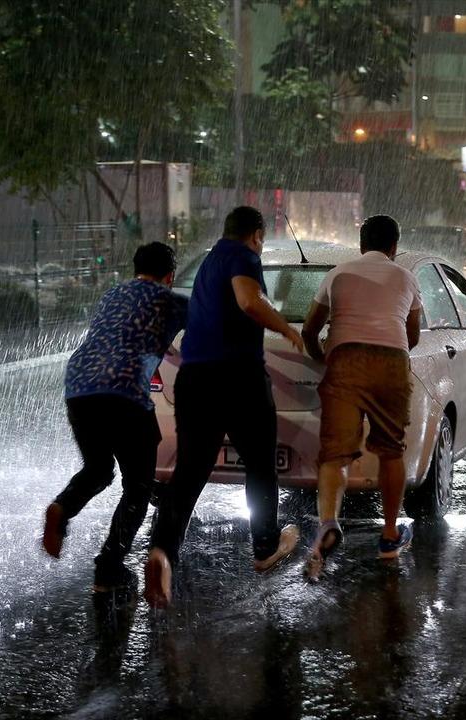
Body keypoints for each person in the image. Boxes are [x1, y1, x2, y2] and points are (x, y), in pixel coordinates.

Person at [143, 206, 304, 608]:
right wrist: (285, 327)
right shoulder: (242, 255)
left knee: (189, 473)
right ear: (257, 235)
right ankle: (265, 547)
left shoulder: (211, 261)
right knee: (261, 466)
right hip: (238, 378)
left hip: (195, 380)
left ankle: (162, 551)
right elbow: (249, 301)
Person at [43, 241, 187, 594]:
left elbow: (123, 333)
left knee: (98, 468)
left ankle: (62, 508)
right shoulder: (173, 300)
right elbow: (214, 327)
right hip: (124, 391)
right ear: (170, 276)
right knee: (137, 486)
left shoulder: (112, 295)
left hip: (80, 385)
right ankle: (108, 568)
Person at [299, 215, 423, 582]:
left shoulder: (338, 274)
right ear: (394, 247)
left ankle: (328, 523)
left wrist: (322, 355)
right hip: (391, 363)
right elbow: (411, 336)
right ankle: (388, 535)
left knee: (334, 454)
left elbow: (310, 328)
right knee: (391, 450)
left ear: (360, 244)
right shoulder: (407, 278)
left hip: (345, 360)